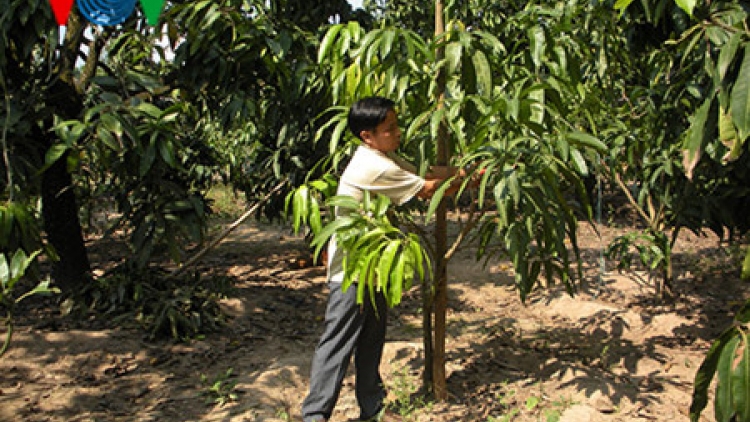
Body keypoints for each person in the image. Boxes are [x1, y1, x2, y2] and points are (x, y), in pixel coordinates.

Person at [301, 97, 467, 422]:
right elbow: (429, 188)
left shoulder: (382, 155)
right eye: (389, 128)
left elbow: (425, 172)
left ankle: (372, 410)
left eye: (395, 125)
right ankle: (315, 415)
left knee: (371, 342)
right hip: (352, 271)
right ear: (367, 135)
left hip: (376, 267)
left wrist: (468, 172)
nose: (398, 132)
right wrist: (470, 180)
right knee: (337, 345)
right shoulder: (372, 166)